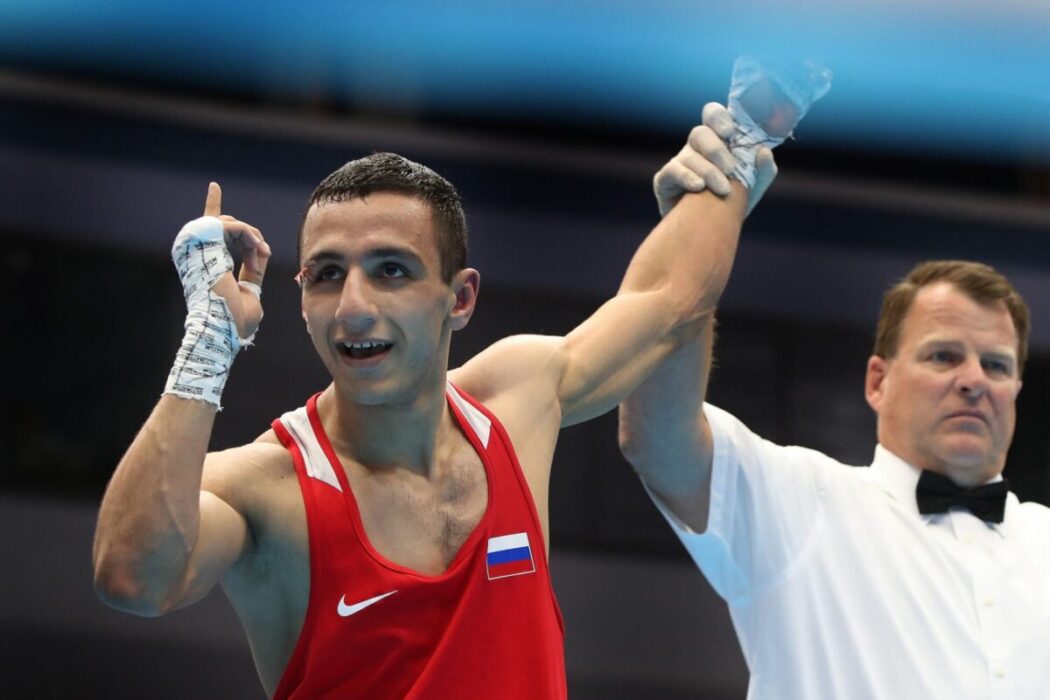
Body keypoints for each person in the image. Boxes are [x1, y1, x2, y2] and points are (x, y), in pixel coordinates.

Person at [92, 126, 771, 698]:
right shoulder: (269, 488)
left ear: (461, 298)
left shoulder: (516, 403)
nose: (354, 306)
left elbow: (671, 300)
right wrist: (207, 344)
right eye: (327, 274)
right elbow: (133, 579)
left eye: (391, 270)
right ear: (300, 298)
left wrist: (744, 136)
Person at [619, 107, 1050, 698]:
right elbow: (658, 435)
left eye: (996, 365)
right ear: (877, 382)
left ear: (1017, 390)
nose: (974, 380)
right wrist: (689, 251)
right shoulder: (805, 504)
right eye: (944, 356)